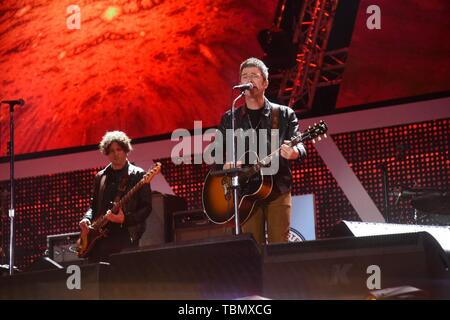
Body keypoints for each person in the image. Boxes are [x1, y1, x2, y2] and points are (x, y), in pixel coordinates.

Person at [213, 57, 306, 245]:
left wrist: (295, 152)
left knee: (279, 247)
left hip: (277, 189)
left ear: (265, 83)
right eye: (244, 76)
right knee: (251, 248)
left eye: (254, 76)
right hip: (245, 193)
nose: (249, 80)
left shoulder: (284, 114)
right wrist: (225, 164)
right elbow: (215, 152)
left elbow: (300, 144)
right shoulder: (231, 117)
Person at [79, 131, 152, 262]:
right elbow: (93, 206)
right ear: (106, 153)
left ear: (125, 150)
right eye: (111, 150)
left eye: (119, 149)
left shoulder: (138, 175)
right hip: (98, 240)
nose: (115, 153)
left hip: (125, 237)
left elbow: (146, 208)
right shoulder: (100, 176)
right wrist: (87, 218)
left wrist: (125, 219)